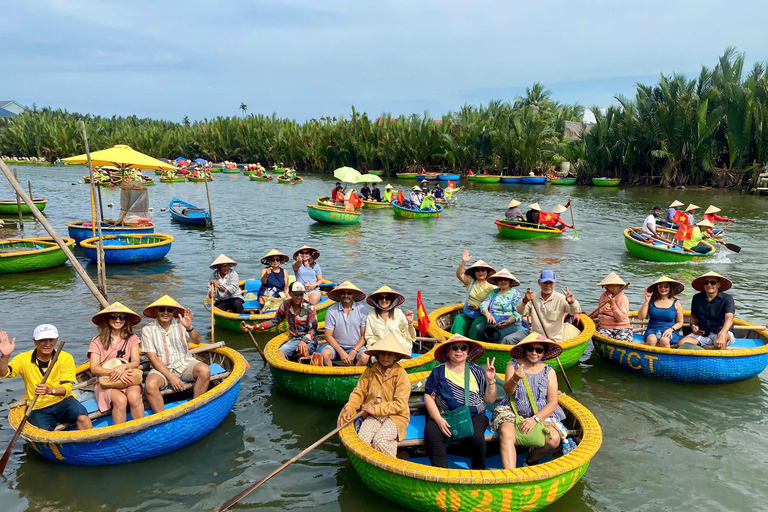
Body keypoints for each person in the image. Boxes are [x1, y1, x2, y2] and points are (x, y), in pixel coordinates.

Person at [491, 333, 567, 468]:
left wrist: (535, 419)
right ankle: (511, 474)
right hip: (512, 410)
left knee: (554, 440)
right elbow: (508, 391)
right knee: (506, 432)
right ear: (525, 350)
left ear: (544, 352)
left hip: (540, 413)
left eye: (539, 350)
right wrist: (515, 378)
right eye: (530, 349)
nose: (534, 353)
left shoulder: (549, 371)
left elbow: (552, 403)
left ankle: (531, 460)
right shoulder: (513, 365)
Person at [424, 335, 497, 469]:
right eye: (454, 348)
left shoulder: (477, 371)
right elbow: (429, 396)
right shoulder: (438, 371)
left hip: (473, 415)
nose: (459, 351)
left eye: (463, 348)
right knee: (432, 432)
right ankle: (440, 472)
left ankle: (479, 472)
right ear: (447, 351)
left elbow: (489, 399)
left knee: (476, 437)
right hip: (446, 415)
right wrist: (438, 419)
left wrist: (491, 380)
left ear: (468, 351)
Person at [0, 326, 92, 431]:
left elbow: (67, 388)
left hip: (64, 401)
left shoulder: (65, 358)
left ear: (56, 340)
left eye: (51, 340)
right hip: (38, 407)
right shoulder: (23, 359)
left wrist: (50, 390)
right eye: (43, 340)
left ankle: (91, 445)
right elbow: (3, 373)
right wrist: (5, 356)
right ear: (35, 341)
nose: (47, 344)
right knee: (44, 433)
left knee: (83, 418)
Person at [338, 333, 411, 457]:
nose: (385, 357)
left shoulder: (401, 375)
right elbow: (359, 392)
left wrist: (375, 409)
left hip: (395, 416)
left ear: (396, 356)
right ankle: (370, 467)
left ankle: (391, 466)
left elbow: (400, 405)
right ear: (377, 354)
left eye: (390, 354)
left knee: (380, 440)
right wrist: (349, 409)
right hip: (372, 415)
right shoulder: (370, 370)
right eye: (382, 353)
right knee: (362, 440)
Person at [141, 296, 210, 413]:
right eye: (162, 309)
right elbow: (152, 358)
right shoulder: (148, 329)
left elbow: (197, 341)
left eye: (169, 310)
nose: (165, 312)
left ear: (174, 312)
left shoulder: (181, 323)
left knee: (205, 370)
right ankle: (162, 417)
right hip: (161, 368)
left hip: (184, 363)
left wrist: (189, 328)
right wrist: (171, 377)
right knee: (150, 385)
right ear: (156, 311)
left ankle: (196, 408)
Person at [88, 302, 144, 425]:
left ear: (126, 320)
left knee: (134, 397)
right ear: (107, 320)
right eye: (114, 317)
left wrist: (123, 367)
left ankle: (141, 429)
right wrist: (114, 372)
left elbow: (135, 361)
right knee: (120, 400)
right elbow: (94, 368)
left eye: (121, 317)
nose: (118, 320)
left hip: (127, 375)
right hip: (107, 379)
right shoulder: (97, 341)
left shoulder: (132, 338)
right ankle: (120, 433)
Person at [502, 270, 581, 344]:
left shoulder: (561, 298)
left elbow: (575, 311)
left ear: (555, 283)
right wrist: (524, 301)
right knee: (508, 339)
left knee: (541, 347)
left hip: (552, 339)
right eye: (545, 283)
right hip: (533, 334)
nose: (548, 285)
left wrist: (572, 302)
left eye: (551, 283)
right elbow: (521, 312)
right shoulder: (532, 297)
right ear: (539, 283)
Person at [245, 282, 319, 358]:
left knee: (304, 350)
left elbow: (313, 329)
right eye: (296, 295)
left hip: (309, 340)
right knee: (280, 354)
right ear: (290, 294)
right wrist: (253, 327)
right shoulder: (285, 305)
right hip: (293, 340)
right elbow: (274, 321)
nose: (299, 297)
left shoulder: (309, 307)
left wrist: (303, 341)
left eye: (301, 294)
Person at [358, 286, 415, 366]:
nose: (384, 300)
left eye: (387, 298)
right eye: (381, 298)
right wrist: (377, 345)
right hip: (380, 348)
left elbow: (409, 336)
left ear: (391, 300)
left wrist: (410, 323)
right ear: (377, 300)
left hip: (400, 346)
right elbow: (369, 336)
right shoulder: (371, 315)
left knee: (398, 364)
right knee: (379, 362)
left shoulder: (398, 313)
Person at [677, 272, 735, 350]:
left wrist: (722, 333)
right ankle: (700, 357)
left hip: (722, 331)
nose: (709, 285)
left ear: (719, 285)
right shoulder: (697, 298)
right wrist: (694, 326)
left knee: (721, 342)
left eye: (713, 282)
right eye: (706, 282)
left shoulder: (727, 299)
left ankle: (717, 360)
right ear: (703, 285)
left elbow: (729, 319)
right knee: (681, 344)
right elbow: (693, 317)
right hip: (703, 333)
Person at [316, 281, 368, 366]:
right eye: (343, 293)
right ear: (339, 294)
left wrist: (354, 351)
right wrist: (341, 351)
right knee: (325, 353)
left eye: (349, 293)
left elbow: (364, 336)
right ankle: (330, 375)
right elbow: (328, 335)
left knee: (365, 357)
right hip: (336, 347)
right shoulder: (332, 310)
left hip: (356, 347)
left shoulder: (362, 310)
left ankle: (354, 376)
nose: (346, 295)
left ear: (353, 295)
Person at [450, 252, 498, 338]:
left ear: (487, 272)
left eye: (483, 270)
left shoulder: (492, 287)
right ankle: (456, 342)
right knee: (458, 319)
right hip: (469, 312)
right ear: (474, 272)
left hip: (483, 314)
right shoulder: (471, 281)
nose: (480, 272)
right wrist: (464, 262)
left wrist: (479, 308)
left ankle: (473, 345)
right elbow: (459, 274)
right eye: (478, 270)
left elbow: (495, 305)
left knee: (476, 324)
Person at [476, 269, 523, 342]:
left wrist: (508, 321)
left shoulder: (515, 294)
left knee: (497, 334)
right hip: (494, 321)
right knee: (479, 328)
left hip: (511, 322)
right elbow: (484, 304)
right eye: (500, 280)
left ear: (510, 281)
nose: (503, 282)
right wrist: (488, 314)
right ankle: (481, 348)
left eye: (505, 280)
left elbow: (518, 312)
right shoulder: (494, 292)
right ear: (497, 282)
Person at [638, 276, 685, 347]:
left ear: (670, 288)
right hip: (652, 330)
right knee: (651, 339)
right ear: (657, 288)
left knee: (664, 340)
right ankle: (650, 357)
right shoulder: (651, 301)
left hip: (670, 330)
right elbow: (641, 317)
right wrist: (646, 301)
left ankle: (667, 358)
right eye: (660, 286)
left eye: (666, 287)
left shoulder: (676, 303)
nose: (663, 288)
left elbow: (680, 322)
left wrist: (671, 329)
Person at [590, 272, 632, 342]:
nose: (615, 288)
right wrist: (589, 316)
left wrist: (613, 304)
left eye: (617, 286)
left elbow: (621, 319)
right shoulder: (603, 296)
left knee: (622, 341)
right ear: (606, 286)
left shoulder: (622, 298)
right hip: (604, 327)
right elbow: (599, 311)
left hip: (621, 328)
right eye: (612, 286)